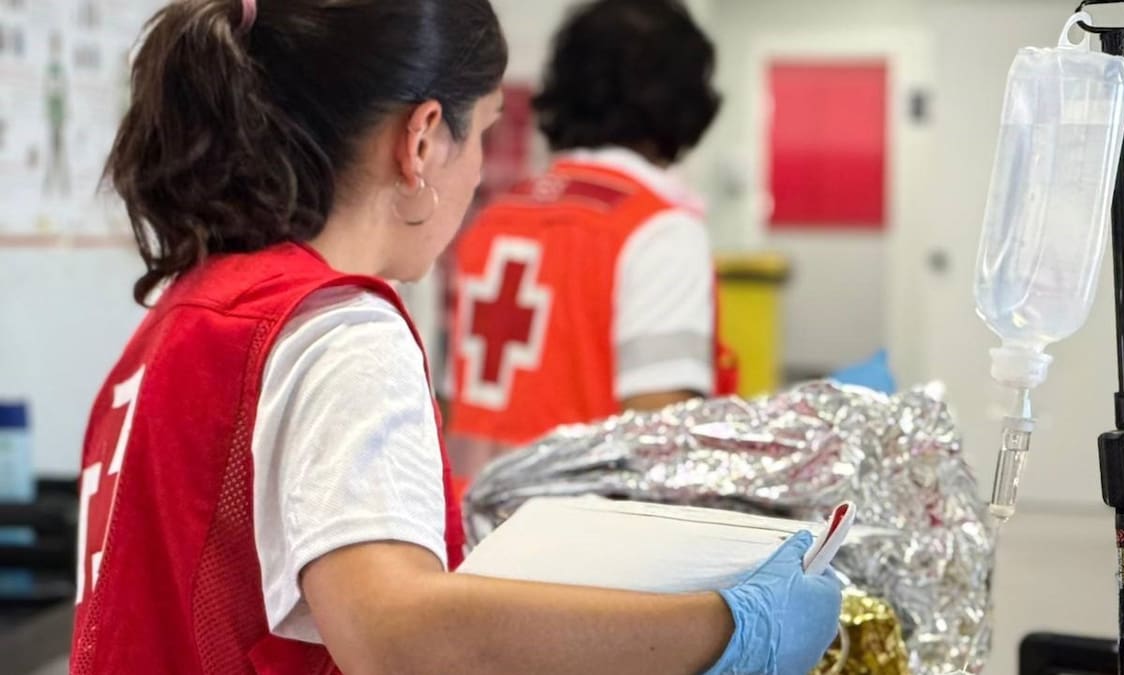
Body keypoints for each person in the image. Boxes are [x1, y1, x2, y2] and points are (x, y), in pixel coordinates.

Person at [71, 0, 841, 673]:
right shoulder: (339, 331)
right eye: (484, 134)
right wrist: (726, 627)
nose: (478, 175)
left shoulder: (186, 311)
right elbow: (396, 635)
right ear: (423, 140)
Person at [446, 0, 737, 478]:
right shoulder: (658, 232)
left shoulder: (496, 220)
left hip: (471, 511)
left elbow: (453, 403)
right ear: (688, 102)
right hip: (582, 520)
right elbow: (660, 445)